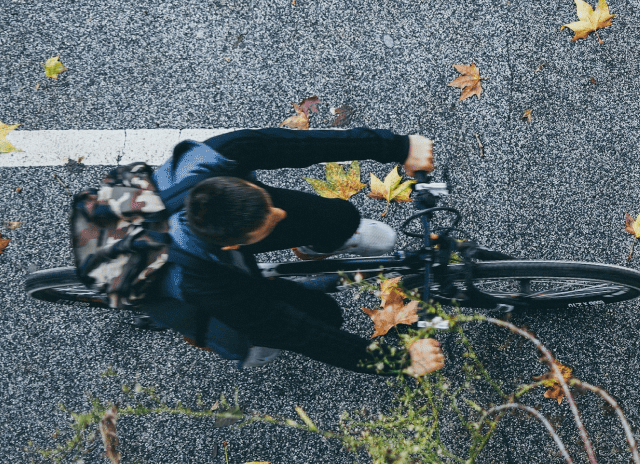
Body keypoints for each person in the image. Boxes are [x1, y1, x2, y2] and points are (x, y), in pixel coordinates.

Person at [139, 127, 444, 377]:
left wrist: (399, 146)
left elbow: (299, 145)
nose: (279, 215)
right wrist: (400, 362)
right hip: (196, 281)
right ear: (232, 245)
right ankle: (255, 323)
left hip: (206, 233)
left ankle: (313, 248)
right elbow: (298, 333)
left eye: (266, 204)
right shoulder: (201, 282)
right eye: (267, 222)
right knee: (321, 316)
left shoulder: (217, 156)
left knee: (339, 217)